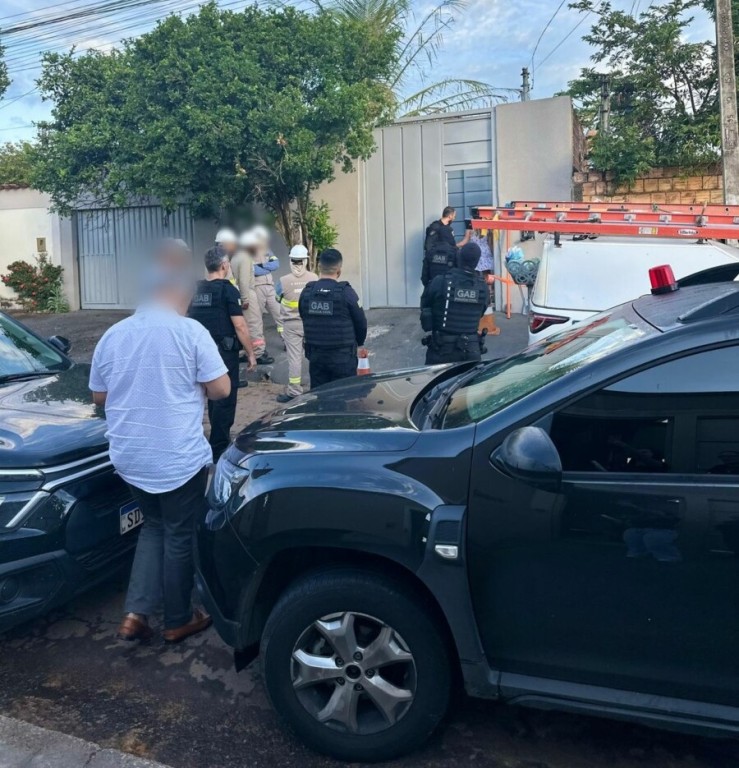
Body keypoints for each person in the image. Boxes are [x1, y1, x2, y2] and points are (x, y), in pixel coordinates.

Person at [89, 239, 231, 644]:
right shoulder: (189, 332)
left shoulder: (113, 335)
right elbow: (221, 389)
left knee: (153, 526)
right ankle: (178, 619)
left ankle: (135, 613)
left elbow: (99, 396)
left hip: (130, 457)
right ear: (176, 292)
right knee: (179, 534)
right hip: (176, 458)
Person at [188, 247, 257, 461]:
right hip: (222, 353)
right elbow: (240, 326)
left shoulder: (194, 289)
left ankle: (196, 441)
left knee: (198, 395)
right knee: (224, 399)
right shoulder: (228, 290)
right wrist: (251, 353)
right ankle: (219, 447)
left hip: (195, 352)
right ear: (225, 266)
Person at [299, 248, 367, 389]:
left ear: (319, 267)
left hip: (317, 357)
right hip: (342, 358)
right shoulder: (347, 293)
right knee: (345, 395)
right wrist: (360, 343)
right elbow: (361, 323)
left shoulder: (307, 292)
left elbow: (303, 316)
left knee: (320, 395)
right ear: (339, 270)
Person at [420, 242, 488, 365]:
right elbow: (481, 312)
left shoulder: (440, 281)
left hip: (441, 350)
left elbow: (425, 306)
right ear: (477, 262)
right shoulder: (482, 287)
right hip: (471, 350)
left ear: (459, 257)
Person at [275, 244, 318, 403]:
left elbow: (277, 299)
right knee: (315, 356)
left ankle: (294, 391)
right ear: (306, 260)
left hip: (291, 325)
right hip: (311, 324)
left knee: (294, 359)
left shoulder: (283, 281)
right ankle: (317, 387)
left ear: (291, 261)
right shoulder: (314, 278)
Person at [234, 231, 274, 365]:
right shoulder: (245, 257)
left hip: (240, 292)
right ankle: (258, 353)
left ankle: (247, 351)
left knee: (246, 325)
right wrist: (245, 299)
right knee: (254, 324)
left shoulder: (236, 256)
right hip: (248, 293)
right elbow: (244, 280)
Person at [250, 225, 283, 338]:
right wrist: (267, 268)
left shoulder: (268, 251)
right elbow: (253, 270)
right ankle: (259, 343)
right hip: (257, 287)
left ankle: (286, 340)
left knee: (279, 314)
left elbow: (276, 264)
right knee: (257, 318)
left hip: (270, 287)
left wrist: (262, 265)